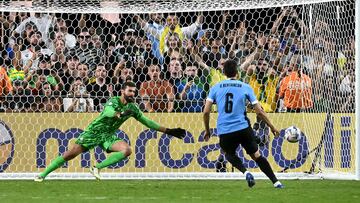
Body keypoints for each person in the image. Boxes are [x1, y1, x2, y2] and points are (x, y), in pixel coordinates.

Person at [34, 81, 186, 182]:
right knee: (70, 154)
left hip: (107, 136)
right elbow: (107, 111)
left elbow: (148, 122)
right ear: (123, 91)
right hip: (93, 132)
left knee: (127, 150)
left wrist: (169, 131)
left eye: (134, 91)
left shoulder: (132, 108)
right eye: (130, 91)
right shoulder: (114, 101)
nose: (133, 93)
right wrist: (118, 114)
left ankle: (96, 168)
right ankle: (42, 175)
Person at [202, 59, 283, 188]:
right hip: (243, 129)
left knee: (229, 154)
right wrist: (272, 127)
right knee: (256, 156)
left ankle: (245, 172)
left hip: (225, 130)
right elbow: (260, 112)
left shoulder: (215, 87)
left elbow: (206, 112)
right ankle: (276, 182)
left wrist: (207, 130)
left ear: (224, 72)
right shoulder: (245, 87)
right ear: (237, 73)